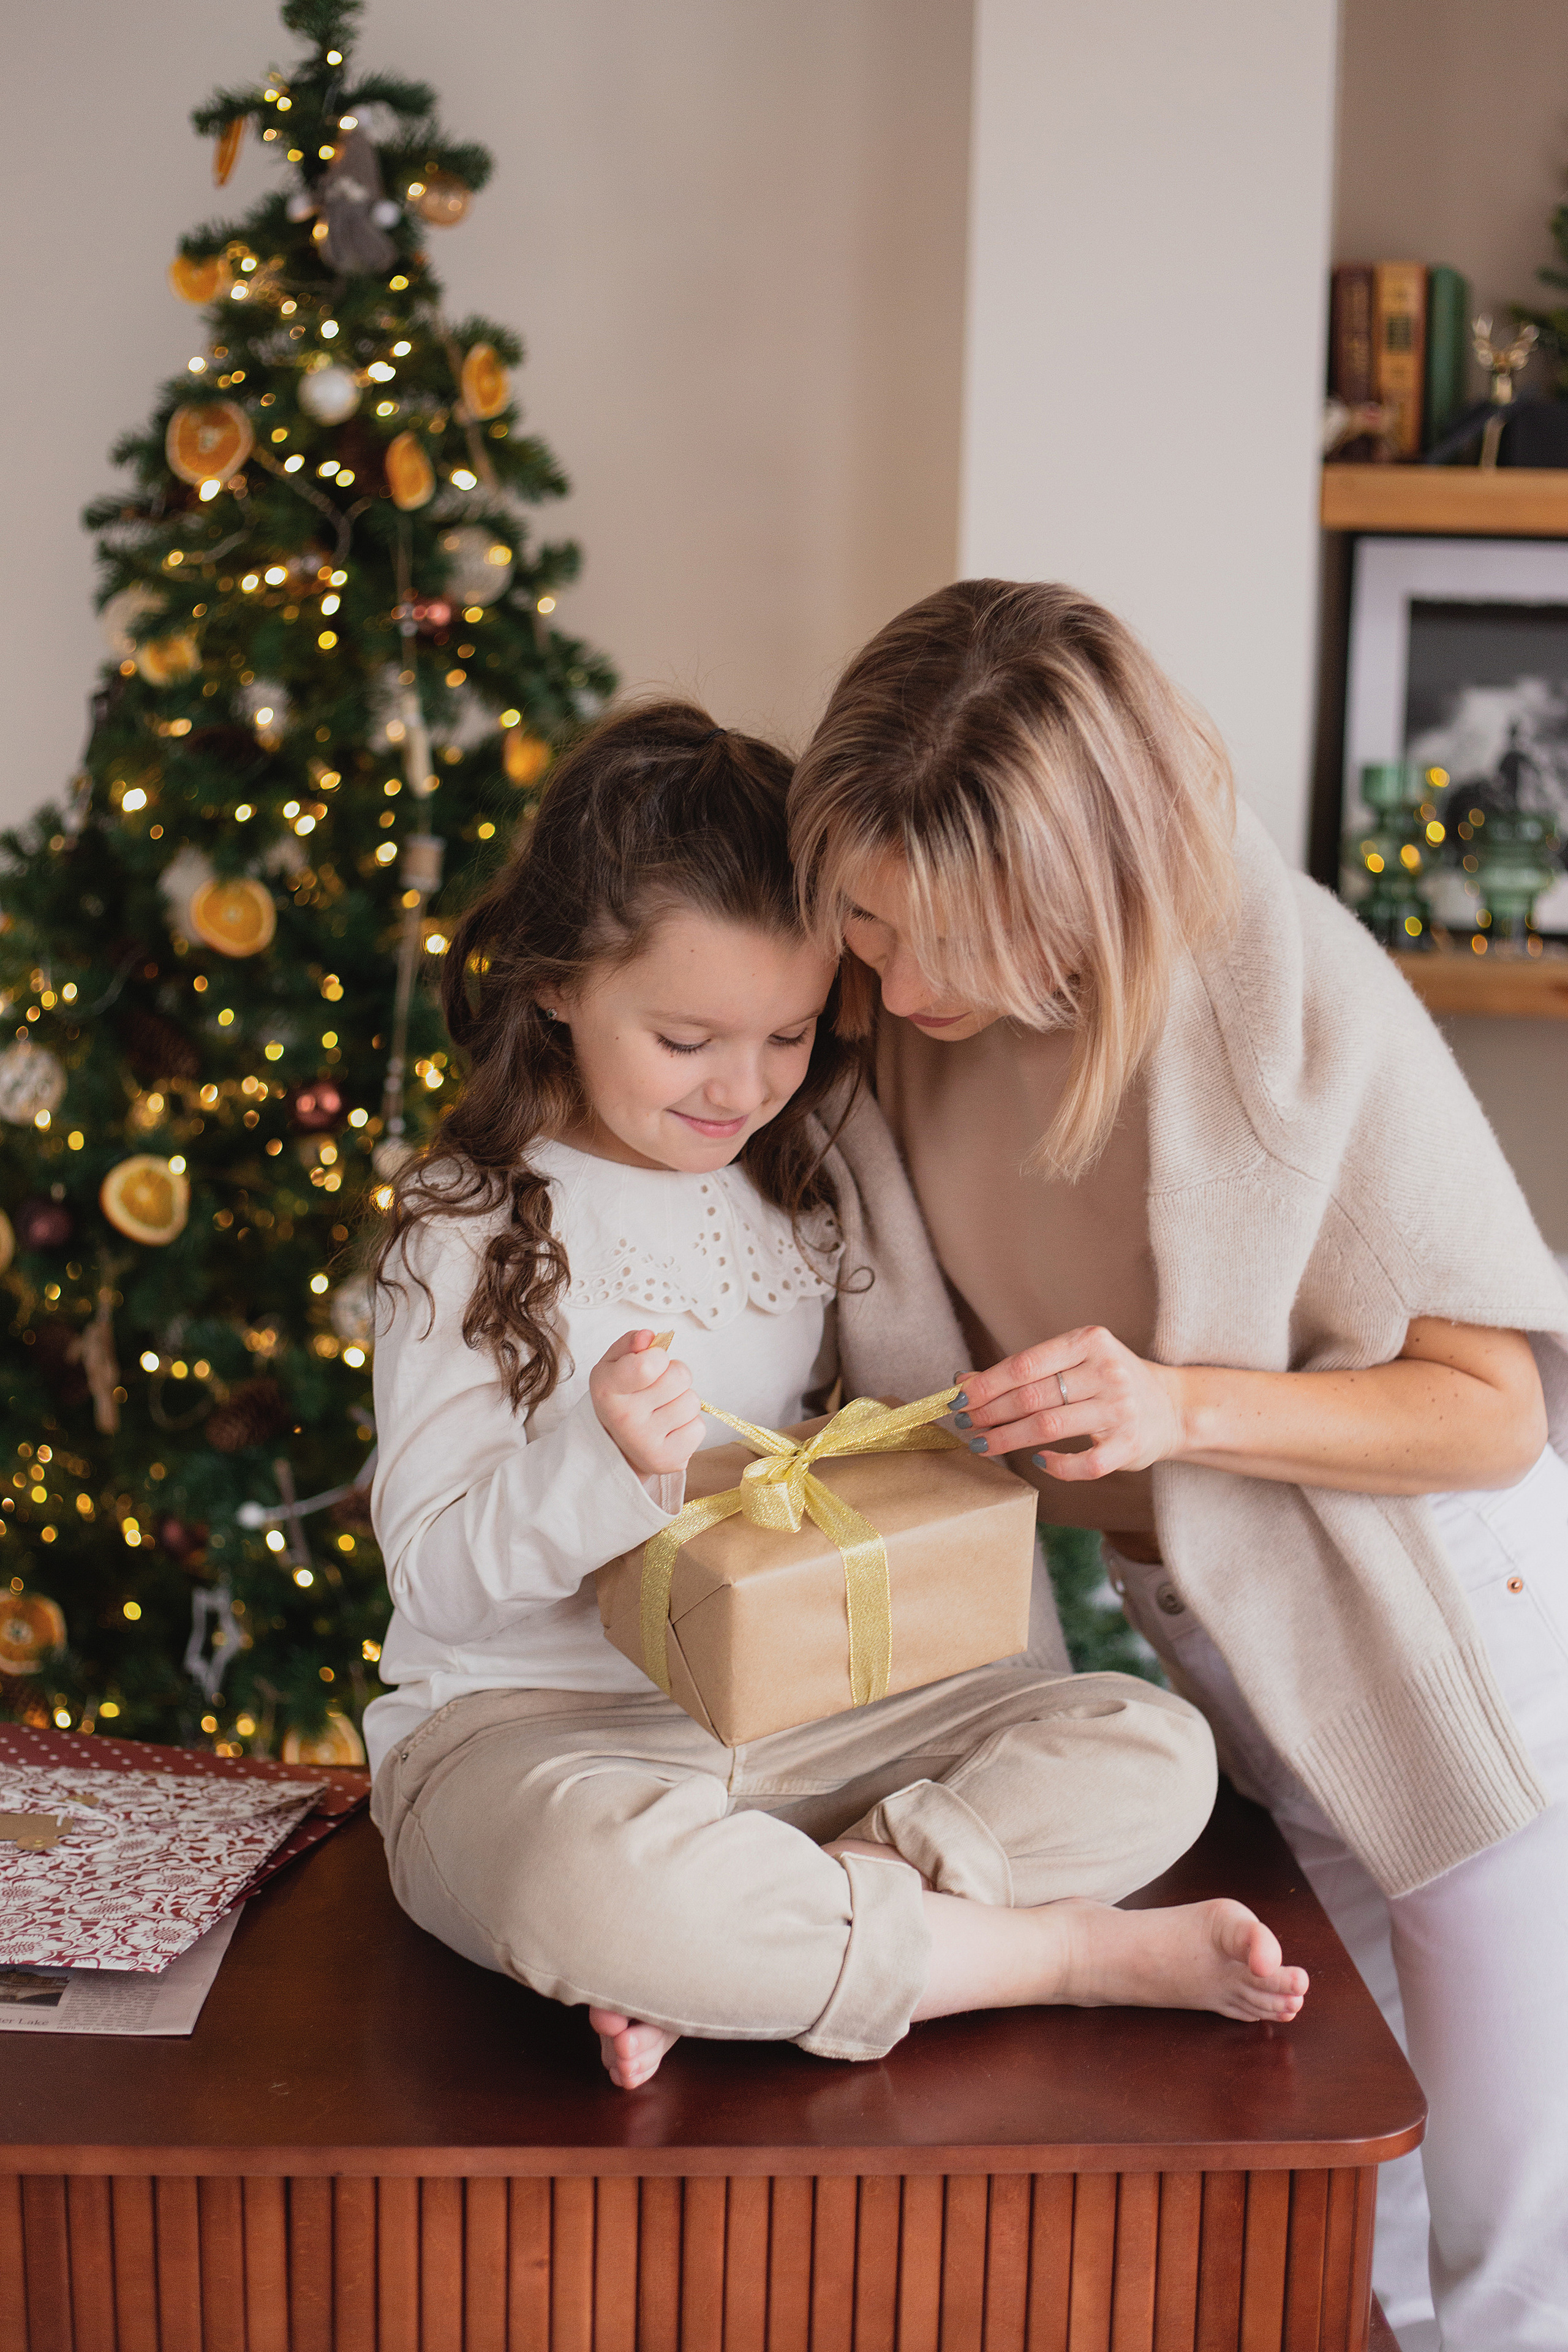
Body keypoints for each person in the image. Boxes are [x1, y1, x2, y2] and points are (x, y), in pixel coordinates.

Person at [788, 578, 1568, 2352]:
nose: (892, 983)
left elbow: (1491, 1406)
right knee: (1341, 2221)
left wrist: (1180, 1407)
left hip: (1455, 1643)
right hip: (1237, 1645)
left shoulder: (1287, 1001)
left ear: (1073, 893)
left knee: (1516, 2262)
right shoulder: (893, 1022)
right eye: (864, 917)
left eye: (940, 941)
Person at [364, 699, 1305, 2094]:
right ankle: (1052, 1955)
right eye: (686, 1039)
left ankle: (789, 1932)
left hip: (806, 1724)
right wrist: (604, 1466)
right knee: (589, 1892)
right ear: (558, 983)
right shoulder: (467, 1227)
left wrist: (936, 1439)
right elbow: (436, 1581)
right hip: (528, 1737)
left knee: (1149, 1745)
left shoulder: (798, 1185)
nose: (740, 1089)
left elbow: (835, 1465)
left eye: (789, 1037)